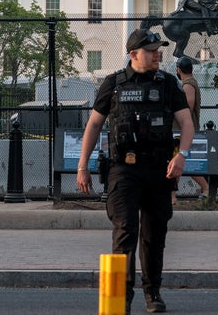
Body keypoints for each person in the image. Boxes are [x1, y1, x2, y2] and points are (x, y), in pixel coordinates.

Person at [76, 28, 194, 314]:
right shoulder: (113, 84)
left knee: (154, 235)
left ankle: (152, 292)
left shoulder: (167, 84)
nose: (158, 54)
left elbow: (187, 124)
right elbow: (93, 125)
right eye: (152, 50)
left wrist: (182, 156)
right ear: (133, 54)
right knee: (125, 230)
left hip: (158, 170)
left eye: (158, 50)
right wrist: (82, 166)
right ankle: (119, 297)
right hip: (123, 170)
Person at [175, 57, 209, 200]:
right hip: (183, 130)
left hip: (185, 130)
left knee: (182, 161)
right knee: (178, 161)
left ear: (178, 70)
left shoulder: (188, 85)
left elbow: (187, 107)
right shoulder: (189, 83)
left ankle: (206, 189)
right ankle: (172, 195)